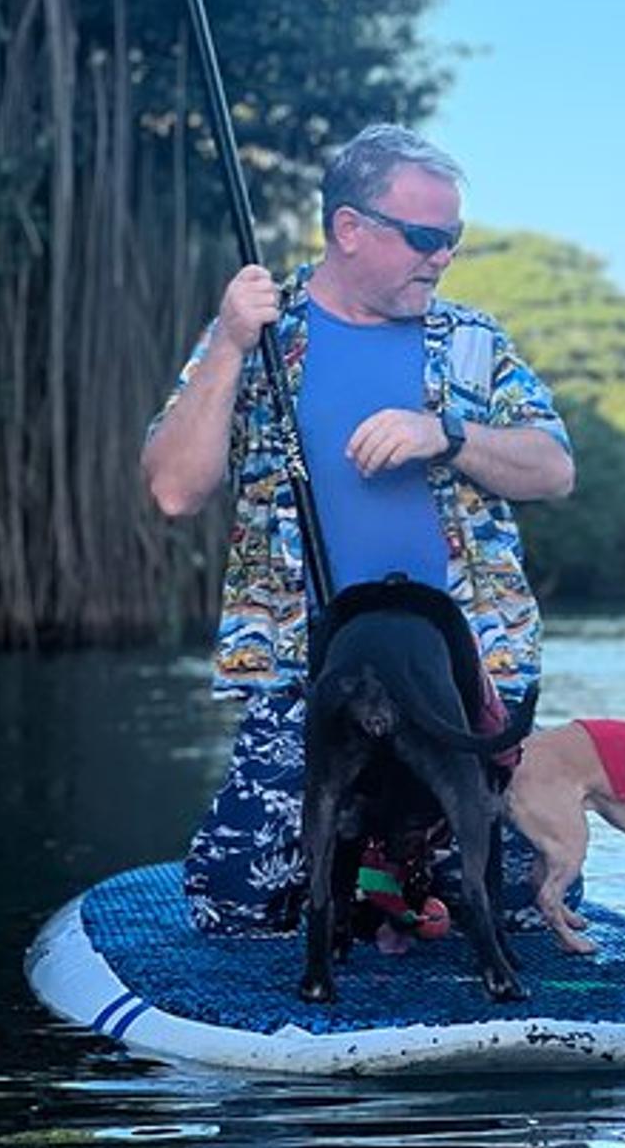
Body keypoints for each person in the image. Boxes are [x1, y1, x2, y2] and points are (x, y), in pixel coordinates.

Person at [143, 123, 576, 934]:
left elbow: (555, 468)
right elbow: (173, 488)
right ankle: (363, 876)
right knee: (236, 903)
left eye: (452, 239)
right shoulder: (264, 337)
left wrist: (447, 435)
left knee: (523, 898)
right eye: (423, 237)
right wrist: (230, 345)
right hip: (309, 675)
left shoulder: (475, 345)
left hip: (463, 676)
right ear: (350, 228)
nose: (441, 257)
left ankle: (394, 877)